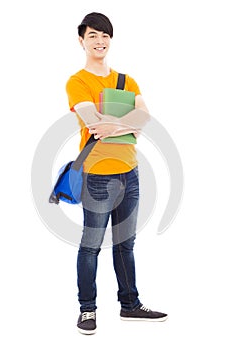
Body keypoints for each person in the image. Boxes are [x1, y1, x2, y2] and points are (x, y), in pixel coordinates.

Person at [65, 12, 168, 335]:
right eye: (93, 35)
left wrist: (118, 126)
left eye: (105, 36)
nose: (100, 41)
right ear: (81, 39)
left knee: (126, 243)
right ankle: (87, 310)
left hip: (130, 172)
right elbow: (94, 124)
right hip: (97, 175)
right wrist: (127, 124)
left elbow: (146, 119)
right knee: (91, 245)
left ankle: (130, 305)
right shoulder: (78, 81)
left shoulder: (127, 80)